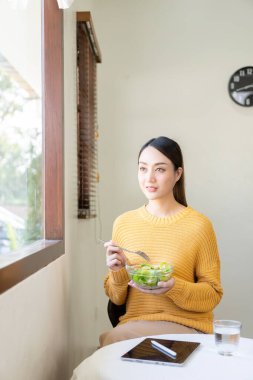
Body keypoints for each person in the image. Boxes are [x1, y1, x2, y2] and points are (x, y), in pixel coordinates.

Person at [100, 136, 223, 347]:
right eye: (142, 169)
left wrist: (173, 286)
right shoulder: (123, 223)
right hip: (134, 325)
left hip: (187, 328)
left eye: (159, 169)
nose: (149, 178)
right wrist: (117, 270)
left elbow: (212, 295)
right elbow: (117, 299)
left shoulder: (199, 225)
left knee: (112, 342)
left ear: (177, 174)